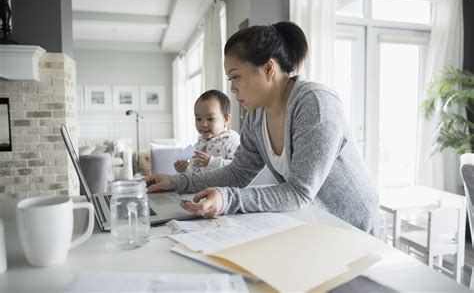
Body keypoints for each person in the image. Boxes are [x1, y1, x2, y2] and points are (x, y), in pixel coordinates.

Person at [146, 21, 379, 235]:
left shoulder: (315, 104)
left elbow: (299, 192)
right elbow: (237, 173)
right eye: (230, 80)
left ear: (268, 69)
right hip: (315, 219)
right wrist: (175, 182)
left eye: (236, 77)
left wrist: (226, 199)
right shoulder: (255, 116)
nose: (233, 89)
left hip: (352, 224)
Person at [173, 89, 240, 174]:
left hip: (221, 187)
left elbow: (239, 168)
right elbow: (195, 172)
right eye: (198, 119)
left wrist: (212, 162)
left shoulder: (231, 140)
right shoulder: (199, 144)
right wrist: (184, 170)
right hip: (200, 186)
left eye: (210, 119)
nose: (203, 124)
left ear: (226, 119)